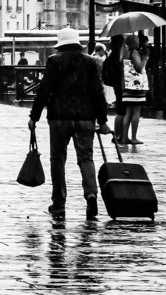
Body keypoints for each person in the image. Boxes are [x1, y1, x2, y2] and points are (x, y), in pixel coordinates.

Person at [28, 27, 109, 220]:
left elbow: (44, 90)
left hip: (59, 118)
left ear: (60, 44)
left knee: (58, 160)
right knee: (86, 159)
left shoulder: (54, 61)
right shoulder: (89, 62)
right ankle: (91, 194)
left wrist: (34, 116)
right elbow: (98, 92)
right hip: (85, 118)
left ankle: (59, 204)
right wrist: (103, 120)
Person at [120, 35, 149, 145]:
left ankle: (124, 137)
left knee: (128, 112)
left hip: (127, 86)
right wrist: (145, 58)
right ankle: (134, 137)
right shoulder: (134, 53)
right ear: (134, 42)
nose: (139, 42)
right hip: (136, 88)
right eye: (137, 40)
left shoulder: (125, 53)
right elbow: (139, 68)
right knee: (136, 112)